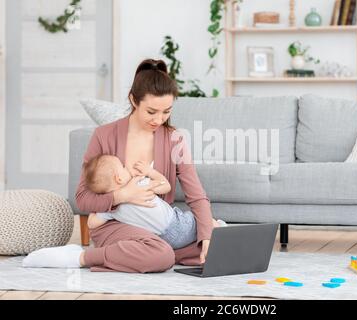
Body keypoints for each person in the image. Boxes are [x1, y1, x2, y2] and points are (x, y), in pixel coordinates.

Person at [22, 59, 217, 272]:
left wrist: (206, 237)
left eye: (166, 112)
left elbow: (196, 195)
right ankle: (82, 257)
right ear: (134, 100)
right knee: (160, 255)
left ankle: (168, 251)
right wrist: (122, 196)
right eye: (151, 112)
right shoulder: (104, 135)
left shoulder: (175, 139)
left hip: (158, 227)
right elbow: (82, 199)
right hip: (115, 225)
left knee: (216, 234)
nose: (159, 120)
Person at [83, 154, 225, 249]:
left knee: (196, 237)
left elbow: (91, 223)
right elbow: (165, 186)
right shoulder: (138, 185)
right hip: (177, 224)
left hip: (164, 240)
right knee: (205, 221)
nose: (127, 168)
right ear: (118, 178)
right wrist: (149, 172)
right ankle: (222, 229)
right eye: (123, 167)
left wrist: (99, 207)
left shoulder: (111, 209)